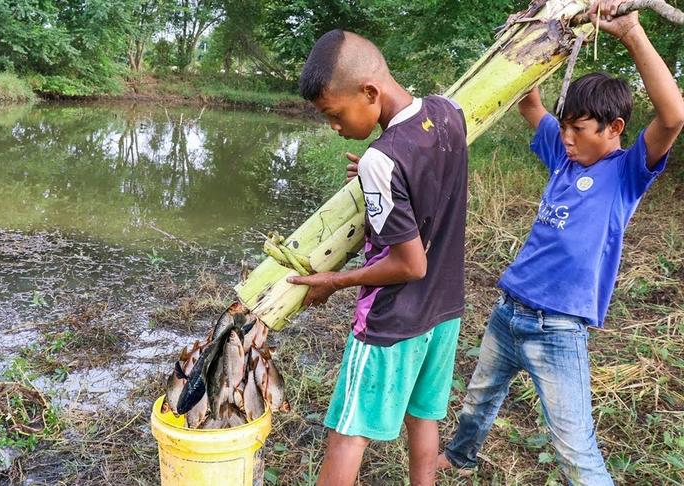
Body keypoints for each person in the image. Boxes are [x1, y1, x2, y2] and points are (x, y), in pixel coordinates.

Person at [438, 1, 684, 484]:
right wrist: (523, 36)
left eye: (579, 129)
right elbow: (530, 102)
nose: (566, 137)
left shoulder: (626, 173)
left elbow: (672, 116)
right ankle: (460, 456)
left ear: (614, 129)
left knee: (573, 446)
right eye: (565, 126)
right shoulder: (564, 156)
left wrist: (630, 32)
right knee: (478, 398)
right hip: (509, 311)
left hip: (559, 328)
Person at [287, 29, 469, 486]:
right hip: (445, 311)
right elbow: (428, 173)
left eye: (334, 113)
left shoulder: (382, 160)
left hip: (394, 318)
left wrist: (336, 280)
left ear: (369, 92)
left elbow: (410, 264)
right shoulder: (448, 112)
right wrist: (379, 178)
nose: (333, 126)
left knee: (348, 433)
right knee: (423, 417)